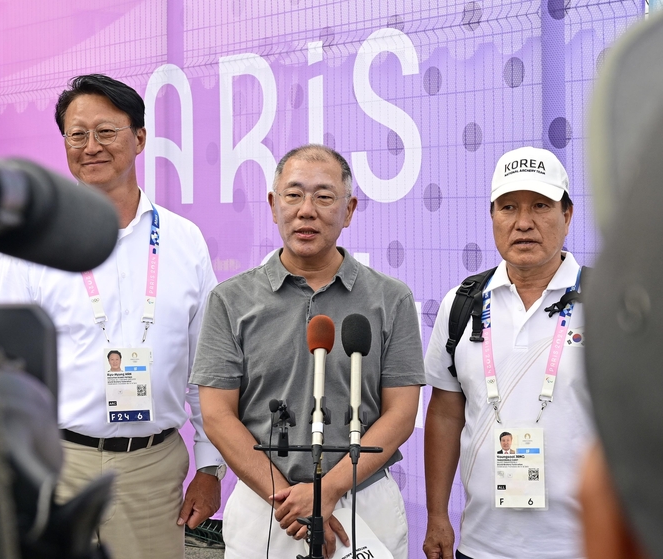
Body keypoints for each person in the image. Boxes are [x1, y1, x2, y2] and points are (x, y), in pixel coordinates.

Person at [0, 74, 225, 559]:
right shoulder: (31, 244)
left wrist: (209, 467)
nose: (90, 147)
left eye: (106, 131)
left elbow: (209, 366)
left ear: (139, 138)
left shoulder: (184, 241)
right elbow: (6, 369)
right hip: (56, 465)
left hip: (151, 470)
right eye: (77, 135)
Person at [190, 144, 425, 559]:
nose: (306, 210)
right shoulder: (231, 299)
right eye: (293, 194)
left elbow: (402, 414)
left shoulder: (391, 299)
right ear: (273, 204)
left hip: (363, 503)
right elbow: (216, 414)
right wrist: (290, 500)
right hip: (268, 506)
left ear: (349, 209)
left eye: (324, 196)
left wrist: (327, 491)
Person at [423, 146, 594, 559]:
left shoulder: (609, 302)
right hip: (481, 546)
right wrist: (436, 515)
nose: (523, 223)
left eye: (540, 206)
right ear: (492, 216)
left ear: (567, 216)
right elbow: (446, 412)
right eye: (508, 207)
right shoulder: (462, 303)